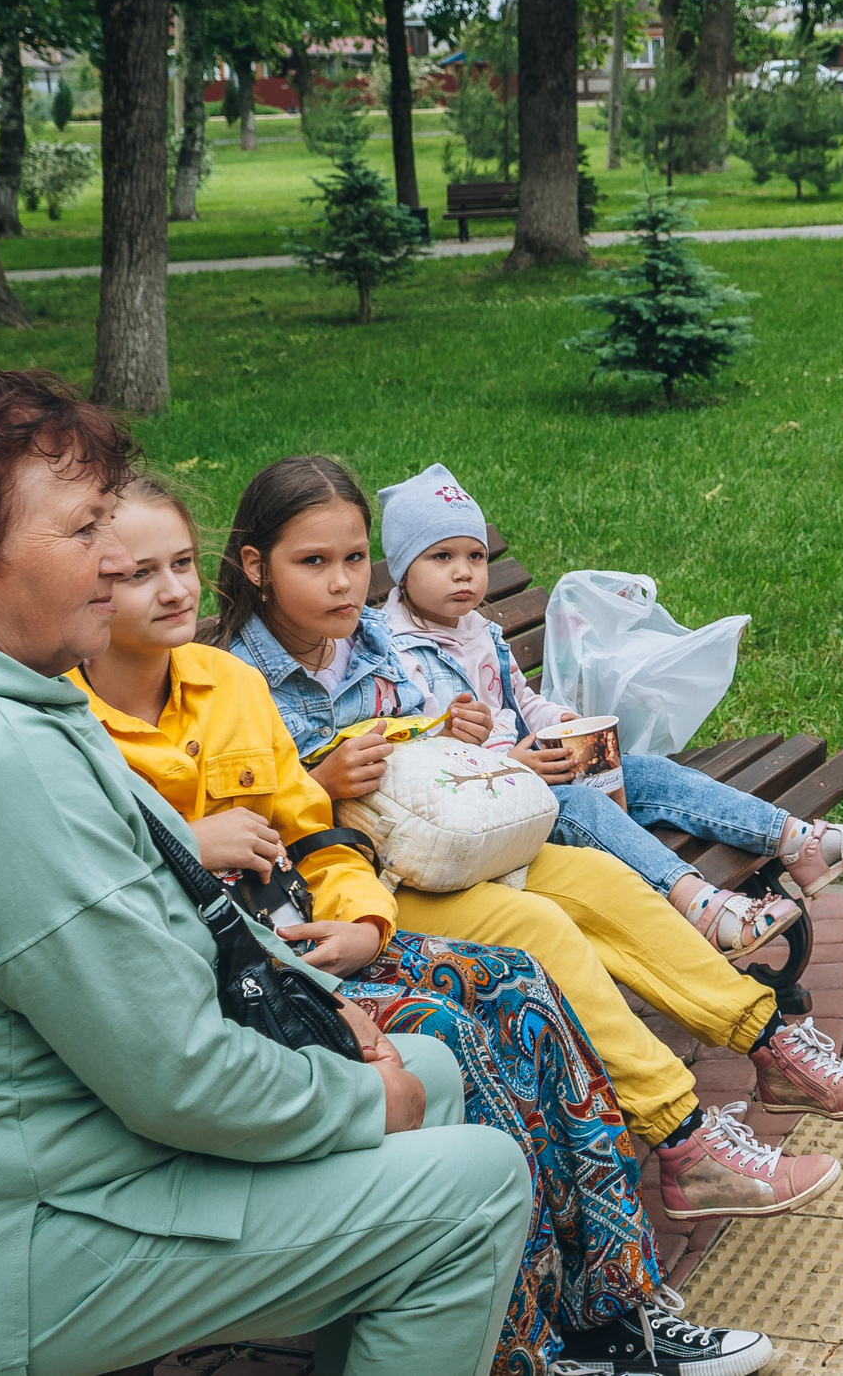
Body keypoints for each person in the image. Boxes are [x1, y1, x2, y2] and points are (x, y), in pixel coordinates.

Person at [0, 365, 529, 1376]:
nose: (115, 560)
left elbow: (171, 930)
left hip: (31, 1173)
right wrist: (359, 1099)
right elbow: (174, 1077)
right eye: (84, 532)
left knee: (430, 1077)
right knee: (471, 1182)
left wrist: (327, 1011)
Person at [68, 475, 770, 1375]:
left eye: (177, 566)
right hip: (229, 985)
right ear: (91, 584)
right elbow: (90, 895)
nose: (170, 590)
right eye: (136, 574)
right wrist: (186, 842)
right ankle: (526, 1346)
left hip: (324, 940)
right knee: (458, 1031)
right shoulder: (73, 728)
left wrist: (361, 917)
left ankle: (616, 1310)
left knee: (522, 988)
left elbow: (312, 830)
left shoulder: (224, 682)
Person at [218, 455, 843, 1221]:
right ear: (257, 566)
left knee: (605, 883)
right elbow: (253, 829)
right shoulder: (237, 679)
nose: (343, 582)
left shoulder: (370, 636)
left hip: (460, 842)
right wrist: (322, 783)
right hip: (372, 887)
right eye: (313, 562)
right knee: (543, 925)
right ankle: (686, 1140)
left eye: (352, 558)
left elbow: (424, 750)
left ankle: (768, 1040)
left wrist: (453, 730)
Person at [373, 461, 843, 951]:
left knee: (647, 771)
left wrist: (562, 722)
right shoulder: (393, 653)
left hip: (541, 769)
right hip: (492, 808)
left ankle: (795, 841)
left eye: (476, 556)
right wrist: (509, 765)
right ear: (402, 570)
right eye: (441, 557)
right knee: (584, 807)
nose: (464, 572)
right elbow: (419, 760)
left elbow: (523, 700)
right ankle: (701, 907)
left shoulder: (480, 630)